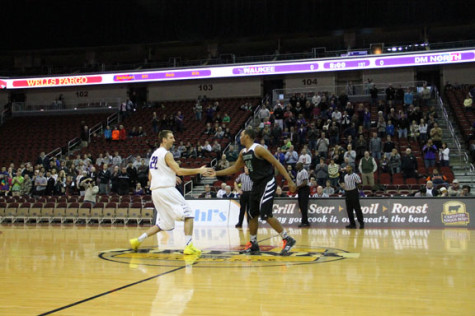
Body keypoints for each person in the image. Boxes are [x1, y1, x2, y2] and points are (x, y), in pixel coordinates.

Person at [207, 128, 297, 256]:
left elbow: (276, 163)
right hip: (256, 184)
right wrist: (216, 173)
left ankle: (287, 239)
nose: (240, 137)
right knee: (252, 214)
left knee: (265, 213)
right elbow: (234, 168)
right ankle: (253, 243)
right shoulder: (243, 152)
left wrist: (289, 180)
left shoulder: (258, 149)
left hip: (267, 181)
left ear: (248, 136)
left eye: (242, 134)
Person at [129, 130, 212, 255]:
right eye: (171, 137)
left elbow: (150, 177)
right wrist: (199, 170)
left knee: (163, 224)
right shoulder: (166, 154)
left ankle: (137, 240)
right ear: (164, 139)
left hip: (155, 191)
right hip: (166, 189)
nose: (174, 140)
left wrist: (170, 176)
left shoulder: (154, 155)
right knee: (188, 214)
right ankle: (189, 246)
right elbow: (179, 171)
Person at [295, 162, 310, 227]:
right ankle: (304, 221)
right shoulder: (298, 172)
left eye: (297, 165)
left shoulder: (304, 172)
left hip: (304, 189)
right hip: (300, 189)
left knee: (304, 206)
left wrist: (298, 187)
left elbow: (305, 182)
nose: (296, 166)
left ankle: (305, 222)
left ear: (300, 166)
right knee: (301, 206)